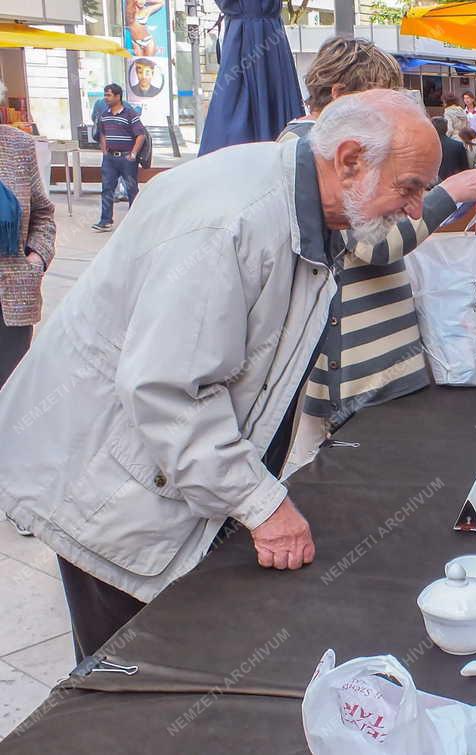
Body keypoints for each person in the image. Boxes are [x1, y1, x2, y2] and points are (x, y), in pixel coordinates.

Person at [0, 90, 442, 662]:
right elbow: (169, 392)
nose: (414, 208)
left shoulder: (300, 201)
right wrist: (262, 506)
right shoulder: (234, 219)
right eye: (409, 186)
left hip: (152, 476)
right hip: (109, 491)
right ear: (350, 159)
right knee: (133, 680)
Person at [276, 38, 476, 477]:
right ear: (339, 97)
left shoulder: (316, 147)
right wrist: (445, 197)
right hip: (357, 372)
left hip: (374, 362)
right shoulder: (318, 155)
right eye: (376, 103)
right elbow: (375, 243)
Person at [0, 80, 56, 532]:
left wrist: (37, 258)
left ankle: (16, 494)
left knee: (13, 399)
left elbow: (42, 213)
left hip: (11, 297)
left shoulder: (17, 147)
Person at [280, 37, 404, 140]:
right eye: (379, 100)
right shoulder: (307, 142)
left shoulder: (331, 134)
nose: (387, 111)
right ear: (340, 95)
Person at [91, 83, 146, 232]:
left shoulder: (130, 114)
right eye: (105, 95)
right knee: (107, 188)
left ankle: (135, 220)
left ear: (117, 96)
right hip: (110, 158)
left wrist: (133, 154)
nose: (106, 98)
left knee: (131, 188)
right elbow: (102, 133)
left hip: (126, 158)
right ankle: (105, 220)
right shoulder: (105, 115)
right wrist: (104, 150)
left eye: (108, 95)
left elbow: (140, 134)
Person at [432, 116, 469, 180]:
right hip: (453, 183)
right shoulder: (458, 145)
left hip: (430, 185)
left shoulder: (425, 146)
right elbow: (465, 170)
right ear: (446, 128)